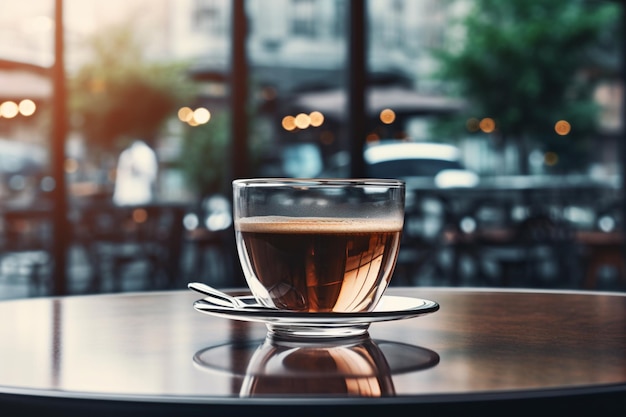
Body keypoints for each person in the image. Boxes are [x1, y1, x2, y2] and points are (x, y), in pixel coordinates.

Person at [112, 140, 158, 206]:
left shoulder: (146, 153)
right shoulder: (126, 155)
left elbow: (150, 174)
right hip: (128, 196)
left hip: (140, 195)